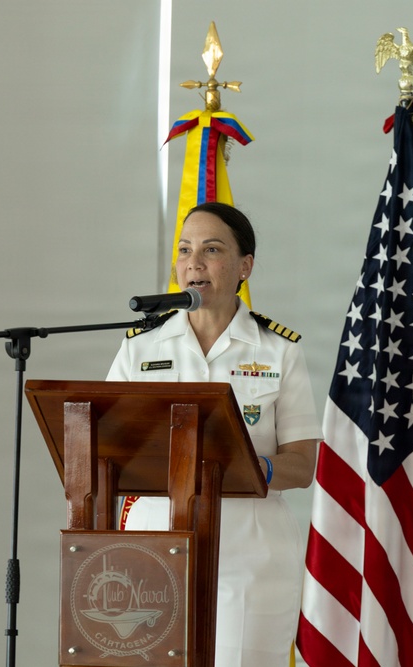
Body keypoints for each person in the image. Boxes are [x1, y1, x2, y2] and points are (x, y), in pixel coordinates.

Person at [106, 201, 322, 667]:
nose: (193, 262)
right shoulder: (139, 349)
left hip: (249, 558)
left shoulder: (279, 352)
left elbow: (304, 465)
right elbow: (106, 451)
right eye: (184, 250)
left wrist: (247, 468)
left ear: (245, 266)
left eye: (211, 249)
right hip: (150, 554)